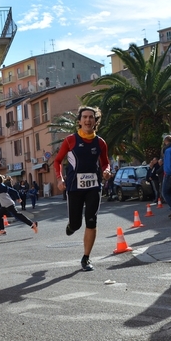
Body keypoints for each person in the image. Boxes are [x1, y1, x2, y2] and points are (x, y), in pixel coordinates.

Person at [53, 105, 111, 272]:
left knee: (91, 220)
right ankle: (72, 225)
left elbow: (105, 162)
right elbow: (57, 161)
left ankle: (86, 258)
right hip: (74, 187)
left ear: (95, 121)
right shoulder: (70, 140)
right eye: (84, 117)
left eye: (91, 117)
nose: (88, 120)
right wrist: (59, 179)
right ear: (79, 121)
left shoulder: (100, 142)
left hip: (94, 186)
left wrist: (106, 170)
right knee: (77, 223)